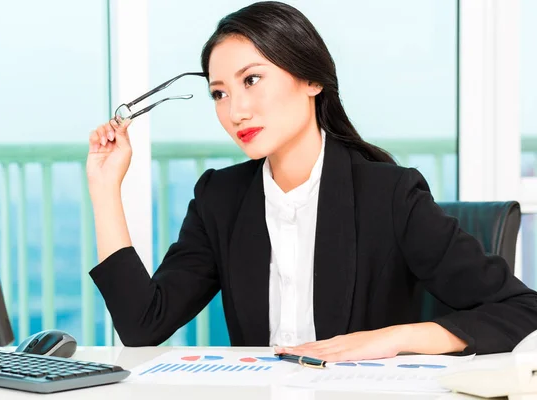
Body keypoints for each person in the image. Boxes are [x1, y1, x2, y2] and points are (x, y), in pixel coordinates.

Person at [86, 1, 537, 361]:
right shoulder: (219, 198)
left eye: (252, 79)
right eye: (219, 93)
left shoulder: (390, 194)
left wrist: (396, 338)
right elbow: (142, 326)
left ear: (311, 80)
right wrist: (106, 190)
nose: (234, 110)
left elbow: (524, 310)